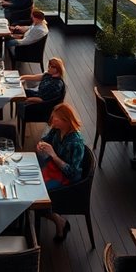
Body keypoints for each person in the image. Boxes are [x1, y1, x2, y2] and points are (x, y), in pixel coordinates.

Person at [36, 103, 85, 242]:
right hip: (53, 170)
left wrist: (54, 155)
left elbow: (73, 173)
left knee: (38, 195)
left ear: (66, 120)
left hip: (68, 181)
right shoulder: (57, 130)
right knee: (30, 186)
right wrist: (40, 145)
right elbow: (45, 140)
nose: (53, 122)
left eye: (56, 119)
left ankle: (60, 222)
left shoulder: (76, 143)